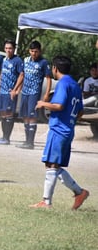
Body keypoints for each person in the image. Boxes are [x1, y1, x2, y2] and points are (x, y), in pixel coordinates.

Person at [30, 55, 89, 210]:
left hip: (58, 129)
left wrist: (43, 103)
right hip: (68, 129)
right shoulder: (75, 85)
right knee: (53, 165)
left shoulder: (63, 84)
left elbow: (59, 105)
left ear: (55, 68)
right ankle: (79, 192)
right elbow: (80, 112)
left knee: (51, 165)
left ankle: (46, 201)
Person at [16, 41, 52, 149]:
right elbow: (22, 75)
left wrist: (46, 94)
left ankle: (31, 142)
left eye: (36, 51)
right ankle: (26, 140)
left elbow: (49, 79)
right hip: (25, 92)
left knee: (32, 116)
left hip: (34, 93)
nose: (34, 54)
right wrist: (16, 89)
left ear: (39, 51)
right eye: (32, 51)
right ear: (29, 51)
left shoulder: (43, 62)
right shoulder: (26, 60)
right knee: (25, 116)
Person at [0, 40, 24, 145]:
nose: (8, 50)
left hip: (10, 92)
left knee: (9, 114)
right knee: (1, 113)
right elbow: (1, 74)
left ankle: (7, 138)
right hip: (2, 91)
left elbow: (21, 75)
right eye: (6, 48)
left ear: (14, 49)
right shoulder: (4, 59)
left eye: (10, 48)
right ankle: (3, 137)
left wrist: (15, 90)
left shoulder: (18, 60)